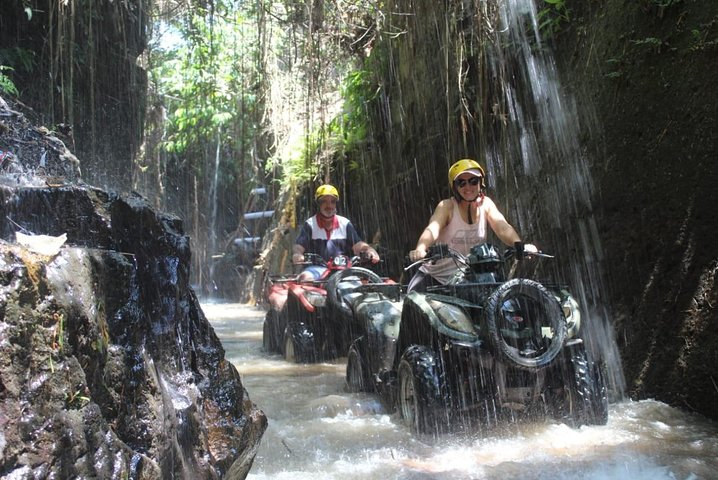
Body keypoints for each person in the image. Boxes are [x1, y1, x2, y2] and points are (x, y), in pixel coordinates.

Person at [407, 159, 537, 292]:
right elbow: (432, 229)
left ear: (481, 183)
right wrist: (421, 248)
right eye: (461, 183)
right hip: (435, 278)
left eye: (473, 181)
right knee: (415, 303)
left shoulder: (486, 204)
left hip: (468, 280)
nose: (468, 187)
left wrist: (519, 244)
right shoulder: (447, 206)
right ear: (455, 187)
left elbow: (502, 227)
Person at [292, 184, 380, 281]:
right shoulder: (310, 224)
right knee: (305, 278)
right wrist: (297, 254)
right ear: (318, 204)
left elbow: (358, 245)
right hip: (316, 268)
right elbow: (298, 247)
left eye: (332, 202)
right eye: (324, 201)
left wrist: (369, 250)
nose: (329, 205)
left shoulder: (345, 223)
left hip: (343, 270)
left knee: (359, 286)